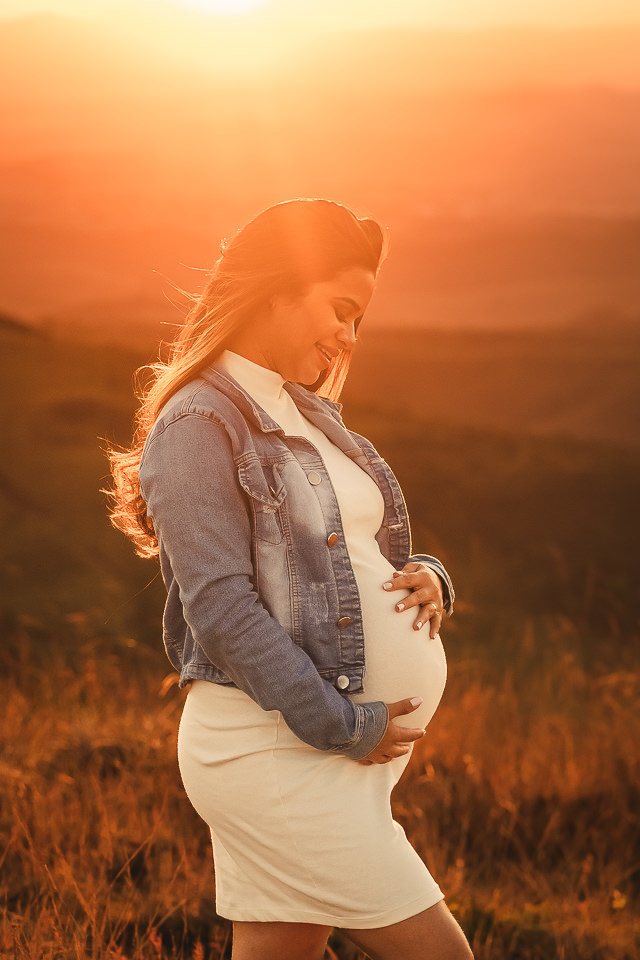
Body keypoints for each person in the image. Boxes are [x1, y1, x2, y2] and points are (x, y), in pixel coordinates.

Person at [107, 198, 473, 960]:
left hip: (322, 755)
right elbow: (221, 608)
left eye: (359, 321)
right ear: (276, 287)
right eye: (341, 309)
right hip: (276, 750)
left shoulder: (306, 411)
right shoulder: (200, 422)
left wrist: (430, 576)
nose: (349, 336)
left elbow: (362, 551)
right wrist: (344, 725)